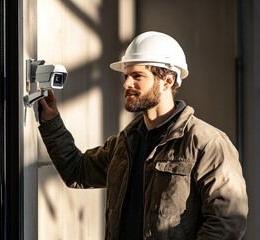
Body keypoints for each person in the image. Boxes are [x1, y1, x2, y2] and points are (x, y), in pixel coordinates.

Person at [37, 31, 248, 240]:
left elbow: (227, 222)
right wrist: (51, 121)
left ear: (167, 80)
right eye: (126, 76)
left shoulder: (207, 144)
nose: (127, 84)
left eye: (137, 76)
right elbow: (77, 171)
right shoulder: (126, 142)